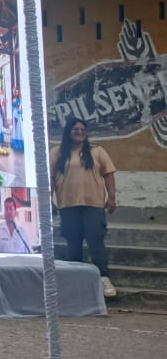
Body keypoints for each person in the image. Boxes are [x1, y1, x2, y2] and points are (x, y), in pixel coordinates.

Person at [50, 117, 118, 299]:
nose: (79, 132)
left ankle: (104, 279)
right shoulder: (57, 152)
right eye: (75, 129)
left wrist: (112, 197)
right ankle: (75, 282)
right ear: (68, 132)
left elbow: (109, 174)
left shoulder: (97, 151)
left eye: (82, 130)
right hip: (68, 205)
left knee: (96, 242)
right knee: (73, 244)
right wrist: (49, 200)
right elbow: (50, 177)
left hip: (93, 205)